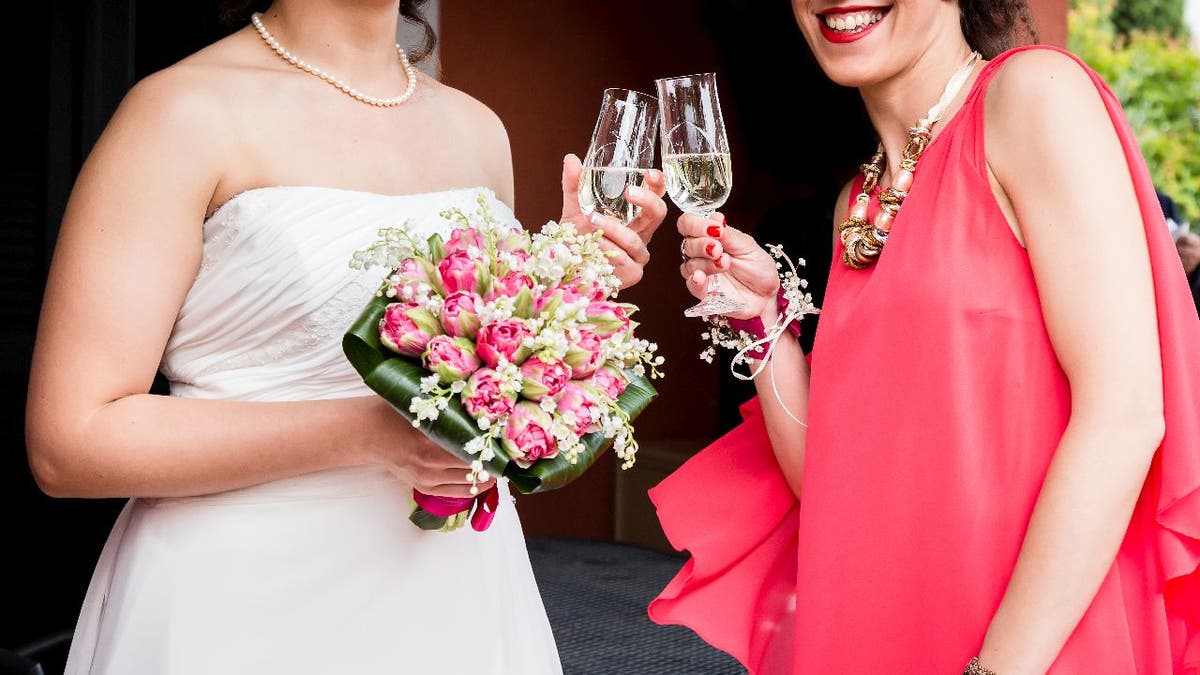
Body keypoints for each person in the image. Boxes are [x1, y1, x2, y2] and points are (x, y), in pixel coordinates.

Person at [24, 1, 667, 672]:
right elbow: (68, 441)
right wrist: (371, 434)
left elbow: (481, 382)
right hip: (240, 611)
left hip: (457, 604)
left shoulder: (477, 128)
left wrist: (567, 276)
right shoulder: (179, 113)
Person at [651, 1, 1200, 673]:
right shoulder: (858, 205)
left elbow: (1126, 413)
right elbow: (833, 483)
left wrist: (996, 668)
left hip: (1037, 642)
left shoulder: (1032, 97)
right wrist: (763, 320)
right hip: (888, 632)